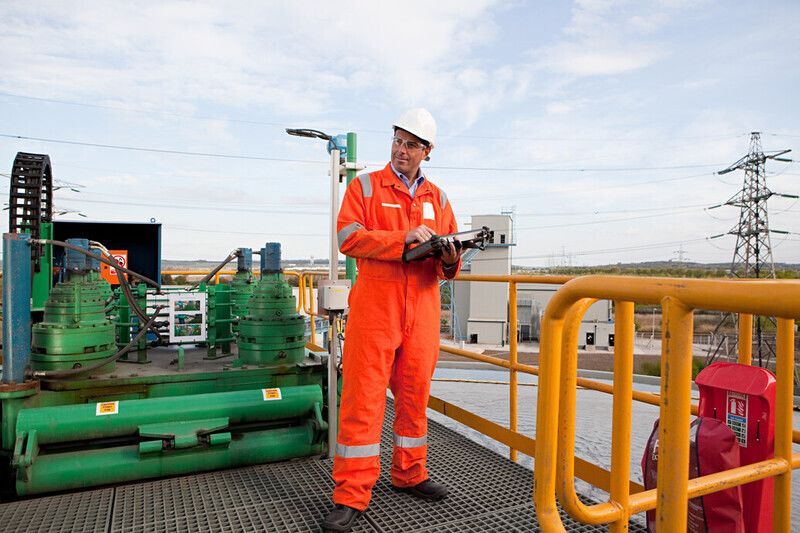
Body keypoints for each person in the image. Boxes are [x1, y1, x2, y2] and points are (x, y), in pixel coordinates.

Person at [323, 108, 462, 532]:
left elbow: (447, 267)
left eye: (411, 144)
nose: (401, 150)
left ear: (427, 151)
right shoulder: (366, 186)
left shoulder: (438, 199)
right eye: (397, 140)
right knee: (363, 402)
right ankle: (351, 494)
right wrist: (402, 238)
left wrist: (450, 259)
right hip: (375, 310)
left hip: (423, 311)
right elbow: (348, 238)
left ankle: (410, 473)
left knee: (414, 396)